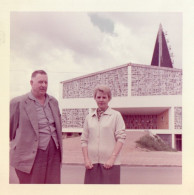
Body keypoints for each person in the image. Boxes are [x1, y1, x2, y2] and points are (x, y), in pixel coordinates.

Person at [10, 70, 62, 184]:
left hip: (54, 153)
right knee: (33, 187)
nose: (44, 85)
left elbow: (58, 127)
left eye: (46, 82)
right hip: (32, 154)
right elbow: (9, 131)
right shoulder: (18, 102)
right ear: (31, 82)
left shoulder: (53, 102)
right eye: (40, 82)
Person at [81, 85, 126, 184]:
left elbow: (121, 138)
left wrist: (112, 159)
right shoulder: (89, 117)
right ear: (95, 98)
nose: (101, 100)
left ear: (109, 98)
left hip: (110, 164)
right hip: (92, 164)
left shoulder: (116, 116)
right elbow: (84, 140)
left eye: (104, 97)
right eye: (98, 97)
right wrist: (86, 160)